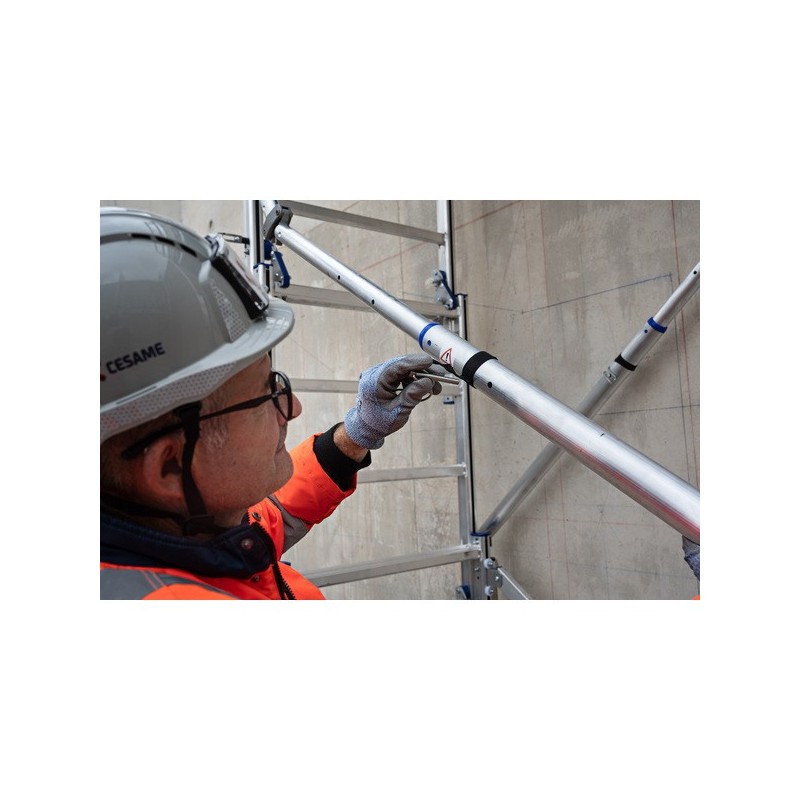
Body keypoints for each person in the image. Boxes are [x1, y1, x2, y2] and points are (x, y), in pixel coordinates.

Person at [100, 207, 445, 599]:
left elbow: (268, 519)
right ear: (170, 464)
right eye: (267, 394)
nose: (293, 407)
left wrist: (357, 434)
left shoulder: (188, 529)